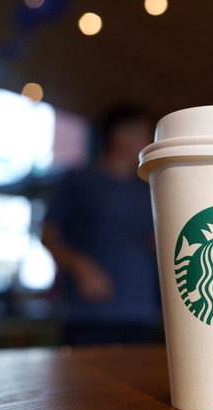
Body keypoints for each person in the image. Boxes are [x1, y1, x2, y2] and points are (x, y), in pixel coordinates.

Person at [41, 106, 162, 345]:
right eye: (143, 134)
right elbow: (48, 235)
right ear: (119, 135)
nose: (148, 142)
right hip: (89, 312)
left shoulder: (150, 188)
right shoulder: (80, 181)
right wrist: (81, 266)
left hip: (143, 311)